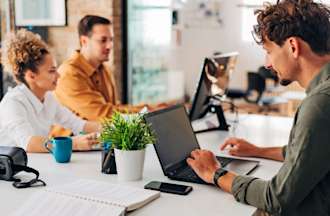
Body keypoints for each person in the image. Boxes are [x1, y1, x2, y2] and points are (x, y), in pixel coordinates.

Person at [187, 0, 330, 215]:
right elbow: (308, 154)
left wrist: (215, 173)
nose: (267, 63)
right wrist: (256, 151)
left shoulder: (319, 104)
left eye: (269, 51)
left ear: (293, 46)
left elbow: (277, 198)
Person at [0, 29, 101, 153]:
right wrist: (74, 143)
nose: (58, 75)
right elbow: (28, 143)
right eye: (52, 71)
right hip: (12, 170)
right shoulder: (13, 103)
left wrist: (113, 129)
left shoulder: (48, 98)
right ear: (31, 76)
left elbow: (78, 124)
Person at [54, 15, 162, 121]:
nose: (110, 45)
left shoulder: (103, 68)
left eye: (111, 40)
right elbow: (102, 114)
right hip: (73, 138)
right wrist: (148, 110)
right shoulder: (69, 74)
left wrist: (149, 108)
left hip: (99, 135)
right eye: (103, 40)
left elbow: (114, 107)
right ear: (84, 41)